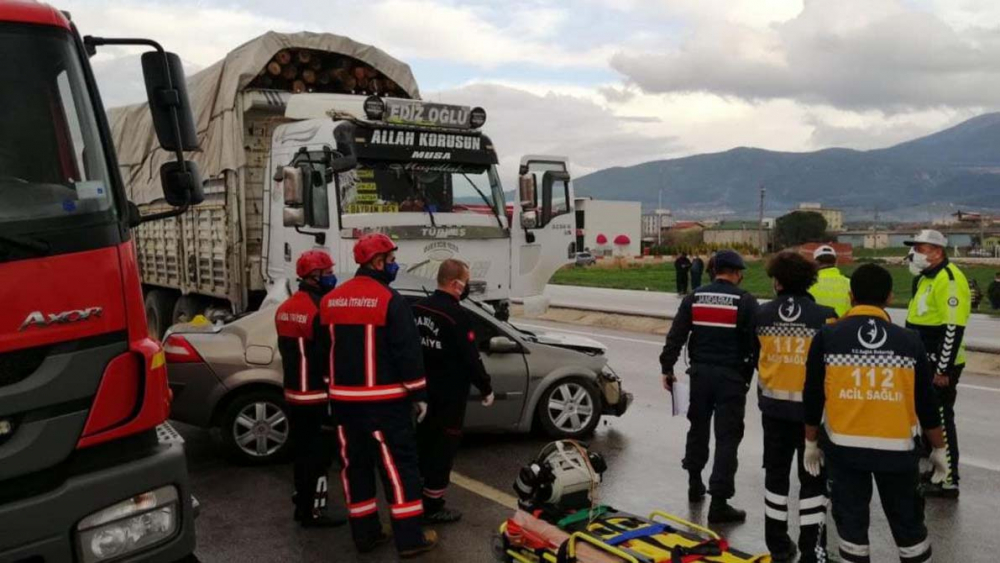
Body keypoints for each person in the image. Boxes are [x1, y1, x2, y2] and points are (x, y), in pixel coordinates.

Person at [803, 263, 950, 563]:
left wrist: (810, 442)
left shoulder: (828, 337)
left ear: (851, 295)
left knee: (852, 533)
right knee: (910, 531)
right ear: (890, 297)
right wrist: (939, 448)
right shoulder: (909, 341)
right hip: (897, 454)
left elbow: (813, 395)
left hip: (845, 454)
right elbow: (926, 402)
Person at [320, 233, 438, 558]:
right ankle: (411, 539)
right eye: (391, 259)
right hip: (385, 406)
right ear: (377, 262)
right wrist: (419, 394)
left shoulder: (331, 300)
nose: (394, 265)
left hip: (343, 406)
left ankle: (366, 535)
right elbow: (407, 353)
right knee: (400, 471)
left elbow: (323, 353)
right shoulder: (391, 300)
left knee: (355, 470)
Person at [660, 249, 758, 523]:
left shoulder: (695, 297)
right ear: (736, 273)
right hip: (731, 379)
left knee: (698, 428)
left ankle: (694, 482)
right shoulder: (746, 301)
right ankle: (719, 502)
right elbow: (755, 345)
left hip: (700, 376)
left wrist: (667, 368)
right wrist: (749, 379)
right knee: (727, 438)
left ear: (714, 270)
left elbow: (676, 334)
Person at [753, 252, 838, 563]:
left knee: (775, 478)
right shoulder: (826, 316)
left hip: (773, 411)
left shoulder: (761, 315)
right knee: (813, 483)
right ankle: (812, 551)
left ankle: (777, 545)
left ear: (777, 281)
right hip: (812, 417)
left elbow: (754, 358)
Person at [412, 259, 495, 523]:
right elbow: (470, 358)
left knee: (421, 446)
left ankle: (414, 497)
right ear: (455, 284)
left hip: (419, 392)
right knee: (442, 449)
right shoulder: (456, 315)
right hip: (448, 397)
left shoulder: (416, 308)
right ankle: (434, 505)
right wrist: (486, 387)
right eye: (466, 282)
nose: (467, 286)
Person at [275, 249, 346, 528]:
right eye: (328, 274)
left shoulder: (286, 308)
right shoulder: (320, 310)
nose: (332, 278)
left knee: (302, 452)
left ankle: (301, 498)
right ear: (314, 277)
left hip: (293, 392)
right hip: (317, 395)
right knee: (320, 457)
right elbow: (326, 357)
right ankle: (314, 510)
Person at [903, 230, 970, 499]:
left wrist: (943, 369)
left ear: (937, 252)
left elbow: (952, 328)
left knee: (940, 419)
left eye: (920, 248)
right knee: (926, 417)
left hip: (941, 365)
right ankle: (934, 468)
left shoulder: (949, 279)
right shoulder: (924, 279)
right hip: (924, 361)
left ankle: (948, 479)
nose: (914, 254)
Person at [808, 245, 851, 317]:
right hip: (844, 326)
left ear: (816, 262)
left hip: (817, 327)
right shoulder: (849, 283)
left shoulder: (808, 284)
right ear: (836, 262)